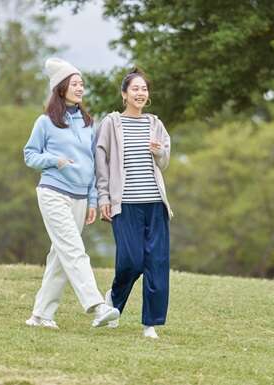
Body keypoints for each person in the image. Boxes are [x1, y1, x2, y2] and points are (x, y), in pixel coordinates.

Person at [23, 58, 120, 329]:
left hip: (80, 197)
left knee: (60, 256)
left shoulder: (89, 123)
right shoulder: (45, 123)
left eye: (82, 84)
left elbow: (92, 163)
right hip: (53, 192)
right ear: (61, 88)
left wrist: (91, 199)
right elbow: (30, 155)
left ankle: (41, 315)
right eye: (74, 83)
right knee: (74, 250)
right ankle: (97, 306)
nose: (80, 88)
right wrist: (54, 160)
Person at [95, 68, 172, 339]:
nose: (141, 93)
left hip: (155, 203)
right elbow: (101, 162)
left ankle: (150, 324)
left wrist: (159, 152)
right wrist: (103, 196)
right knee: (131, 261)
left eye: (144, 89)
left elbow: (164, 161)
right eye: (135, 89)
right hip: (125, 204)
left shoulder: (155, 123)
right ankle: (113, 299)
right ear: (124, 94)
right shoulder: (111, 123)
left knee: (157, 263)